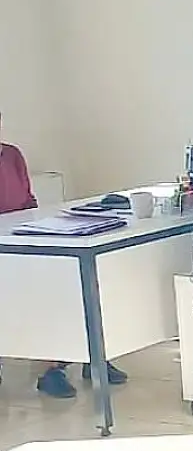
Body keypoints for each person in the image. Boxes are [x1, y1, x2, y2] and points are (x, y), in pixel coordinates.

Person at [0, 117, 129, 398]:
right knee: (42, 291)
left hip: (25, 239)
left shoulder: (11, 154)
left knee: (77, 277)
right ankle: (51, 370)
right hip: (6, 254)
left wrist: (36, 223)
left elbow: (28, 200)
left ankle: (91, 356)